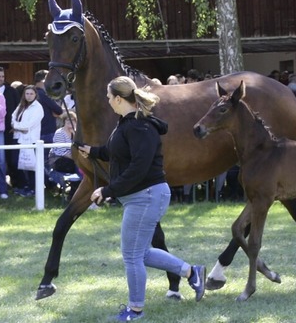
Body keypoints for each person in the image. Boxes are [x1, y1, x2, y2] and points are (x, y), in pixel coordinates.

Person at [75, 76, 205, 320]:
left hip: (146, 196)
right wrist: (91, 151)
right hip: (142, 197)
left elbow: (139, 167)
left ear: (119, 98)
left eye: (109, 97)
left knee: (132, 256)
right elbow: (116, 151)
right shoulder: (126, 124)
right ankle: (192, 272)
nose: (107, 101)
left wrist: (107, 190)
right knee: (141, 253)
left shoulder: (139, 127)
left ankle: (135, 309)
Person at [0, 66, 21, 191]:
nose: (1, 79)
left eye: (2, 76)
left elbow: (18, 109)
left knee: (10, 158)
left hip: (9, 129)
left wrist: (16, 125)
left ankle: (14, 183)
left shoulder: (11, 91)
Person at [11, 85, 44, 197]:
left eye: (31, 94)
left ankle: (33, 189)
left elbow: (28, 125)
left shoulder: (38, 107)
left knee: (31, 166)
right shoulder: (22, 105)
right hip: (19, 139)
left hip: (31, 140)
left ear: (35, 95)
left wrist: (17, 126)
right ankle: (24, 186)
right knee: (17, 163)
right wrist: (17, 126)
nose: (29, 96)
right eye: (27, 94)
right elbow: (13, 117)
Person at [48, 111, 82, 198]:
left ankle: (75, 194)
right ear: (64, 122)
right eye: (68, 121)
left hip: (72, 159)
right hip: (59, 160)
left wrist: (74, 134)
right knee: (79, 166)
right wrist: (77, 159)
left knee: (80, 166)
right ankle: (74, 195)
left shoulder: (76, 133)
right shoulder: (59, 133)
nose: (70, 123)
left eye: (73, 121)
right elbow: (61, 152)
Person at [34, 70, 63, 166]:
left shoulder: (31, 93)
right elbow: (58, 110)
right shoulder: (43, 94)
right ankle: (46, 181)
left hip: (35, 132)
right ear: (43, 80)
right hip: (47, 131)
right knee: (46, 161)